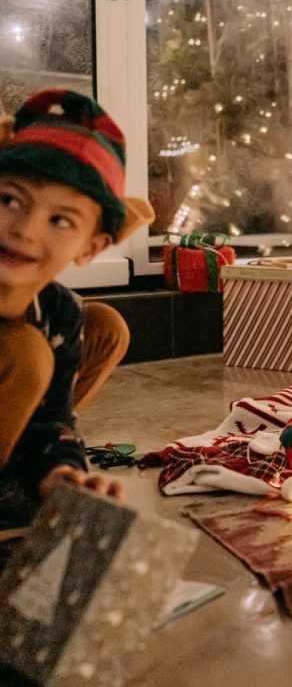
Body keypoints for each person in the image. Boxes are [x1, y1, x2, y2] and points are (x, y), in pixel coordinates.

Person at [0, 90, 154, 533]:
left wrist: (58, 475)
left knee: (103, 326)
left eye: (60, 220)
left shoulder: (56, 311)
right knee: (25, 354)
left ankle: (17, 477)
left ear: (92, 247)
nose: (25, 230)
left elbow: (51, 420)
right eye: (10, 200)